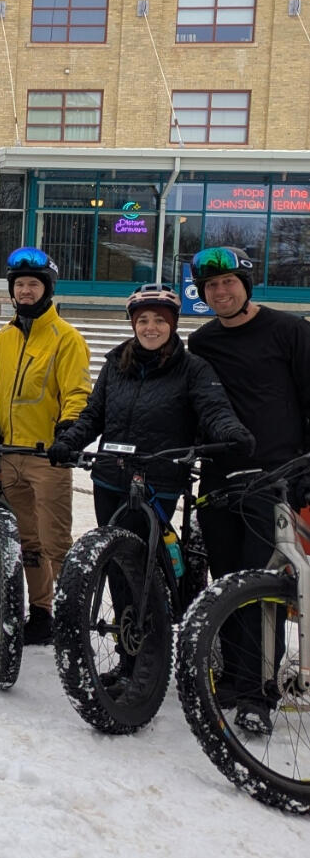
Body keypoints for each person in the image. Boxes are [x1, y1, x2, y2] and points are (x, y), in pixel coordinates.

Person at [186, 246, 310, 734]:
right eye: (211, 286)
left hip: (275, 476)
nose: (220, 292)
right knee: (226, 581)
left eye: (228, 283)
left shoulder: (290, 331)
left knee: (261, 587)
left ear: (246, 284)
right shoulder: (202, 342)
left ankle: (258, 693)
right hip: (220, 477)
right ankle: (234, 680)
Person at [48, 284, 253, 536]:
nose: (150, 327)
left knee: (142, 551)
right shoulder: (115, 364)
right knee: (110, 550)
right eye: (142, 320)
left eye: (160, 320)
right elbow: (93, 415)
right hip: (109, 477)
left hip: (159, 480)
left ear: (172, 324)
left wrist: (232, 432)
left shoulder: (193, 369)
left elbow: (214, 410)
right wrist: (68, 442)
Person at [0, 246, 91, 645]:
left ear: (47, 289)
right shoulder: (5, 337)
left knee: (55, 543)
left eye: (33, 284)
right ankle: (41, 613)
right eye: (20, 284)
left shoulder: (66, 338)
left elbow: (77, 392)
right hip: (10, 455)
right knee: (27, 543)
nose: (25, 291)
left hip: (47, 456)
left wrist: (70, 430)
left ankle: (72, 618)